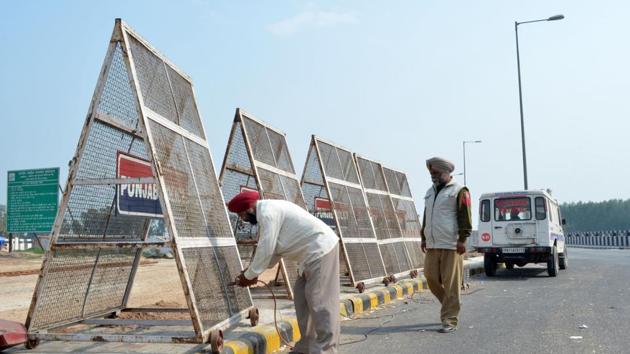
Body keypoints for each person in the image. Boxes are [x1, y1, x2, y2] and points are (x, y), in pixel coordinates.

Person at [228, 190, 340, 354]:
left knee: (320, 303)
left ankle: (327, 350)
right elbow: (273, 251)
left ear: (249, 208)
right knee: (302, 299)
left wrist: (249, 275)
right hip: (309, 257)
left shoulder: (268, 213)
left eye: (241, 214)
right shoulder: (267, 214)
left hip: (321, 250)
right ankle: (306, 348)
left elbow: (266, 249)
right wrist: (252, 273)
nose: (242, 219)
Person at [420, 157, 472, 333]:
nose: (433, 176)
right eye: (431, 173)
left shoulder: (460, 191)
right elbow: (427, 216)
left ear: (447, 172)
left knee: (451, 283)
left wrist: (463, 240)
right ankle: (451, 304)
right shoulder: (430, 191)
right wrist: (423, 237)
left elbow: (465, 217)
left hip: (452, 244)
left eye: (436, 173)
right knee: (430, 277)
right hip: (433, 243)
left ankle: (449, 320)